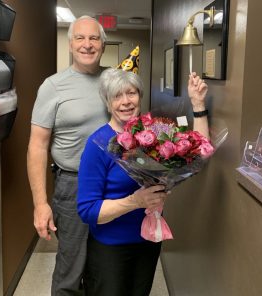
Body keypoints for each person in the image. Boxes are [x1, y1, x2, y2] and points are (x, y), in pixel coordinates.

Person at [77, 68, 210, 296]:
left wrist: (198, 105)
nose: (126, 102)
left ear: (140, 97)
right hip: (110, 248)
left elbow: (199, 152)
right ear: (107, 103)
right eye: (117, 96)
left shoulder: (154, 136)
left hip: (148, 241)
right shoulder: (97, 144)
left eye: (131, 93)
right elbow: (87, 210)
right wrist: (135, 201)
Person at [27, 16, 109, 296]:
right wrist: (40, 204)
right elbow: (37, 146)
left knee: (104, 266)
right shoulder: (53, 86)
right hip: (72, 186)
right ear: (71, 44)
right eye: (80, 38)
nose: (88, 45)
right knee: (71, 269)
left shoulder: (113, 81)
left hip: (112, 186)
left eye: (94, 38)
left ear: (103, 44)